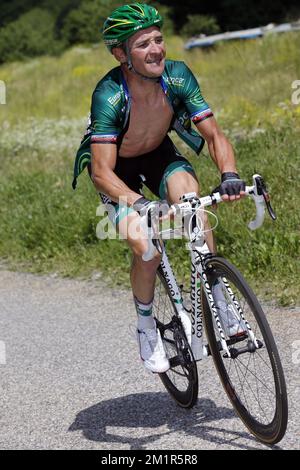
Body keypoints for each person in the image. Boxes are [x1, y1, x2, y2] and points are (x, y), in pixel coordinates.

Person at [73, 3, 246, 374]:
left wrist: (229, 174)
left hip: (158, 156)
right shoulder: (109, 94)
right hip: (116, 171)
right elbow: (101, 171)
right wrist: (140, 204)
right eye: (142, 44)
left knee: (193, 205)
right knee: (148, 251)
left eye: (158, 39)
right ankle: (146, 325)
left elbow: (214, 135)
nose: (156, 50)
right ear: (121, 55)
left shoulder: (178, 76)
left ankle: (221, 300)